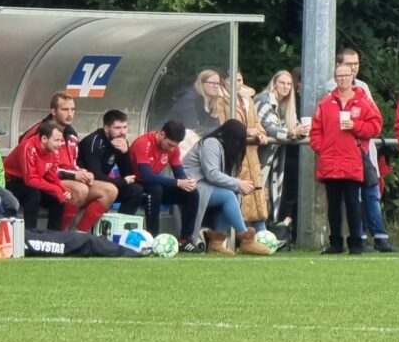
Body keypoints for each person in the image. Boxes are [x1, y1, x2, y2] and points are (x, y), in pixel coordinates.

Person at [325, 47, 397, 252]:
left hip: (364, 152)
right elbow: (322, 127)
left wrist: (357, 126)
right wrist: (323, 148)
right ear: (338, 67)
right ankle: (356, 239)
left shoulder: (363, 88)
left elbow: (373, 122)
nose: (353, 68)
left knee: (371, 192)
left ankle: (379, 237)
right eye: (349, 64)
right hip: (340, 155)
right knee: (349, 198)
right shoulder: (329, 93)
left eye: (356, 64)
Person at [310, 62, 383, 255]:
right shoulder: (325, 103)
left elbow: (375, 127)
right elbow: (316, 130)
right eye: (339, 76)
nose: (342, 79)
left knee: (353, 202)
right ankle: (335, 242)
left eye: (346, 75)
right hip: (330, 160)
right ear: (335, 78)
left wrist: (355, 125)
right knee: (333, 204)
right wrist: (322, 149)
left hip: (352, 159)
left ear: (352, 77)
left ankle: (356, 242)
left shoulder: (364, 102)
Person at [20, 93, 117, 232]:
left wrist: (83, 173)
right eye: (65, 110)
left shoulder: (72, 134)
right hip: (42, 181)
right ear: (54, 111)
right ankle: (59, 234)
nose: (70, 114)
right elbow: (40, 168)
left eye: (72, 109)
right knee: (80, 190)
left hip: (65, 177)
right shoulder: (40, 131)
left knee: (110, 190)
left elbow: (72, 163)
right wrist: (73, 175)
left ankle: (79, 233)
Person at [181, 119, 272, 255]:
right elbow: (211, 174)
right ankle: (246, 239)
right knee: (228, 195)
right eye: (240, 140)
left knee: (233, 193)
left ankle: (216, 243)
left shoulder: (223, 146)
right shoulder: (211, 143)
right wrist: (238, 183)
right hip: (192, 185)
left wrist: (237, 186)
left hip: (204, 185)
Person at [131, 119, 201, 253]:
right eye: (169, 144)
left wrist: (188, 182)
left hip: (156, 184)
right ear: (162, 134)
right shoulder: (144, 143)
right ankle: (153, 236)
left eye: (175, 146)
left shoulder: (173, 149)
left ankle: (185, 240)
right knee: (155, 188)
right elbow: (147, 175)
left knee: (191, 192)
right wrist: (178, 182)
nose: (171, 149)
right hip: (136, 184)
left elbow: (179, 174)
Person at [255, 70, 309, 232]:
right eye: (282, 83)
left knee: (269, 195)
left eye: (289, 84)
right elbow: (269, 128)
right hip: (258, 156)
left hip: (275, 158)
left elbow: (293, 126)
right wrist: (292, 133)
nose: (286, 87)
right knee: (257, 193)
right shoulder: (263, 99)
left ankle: (265, 231)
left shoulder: (286, 104)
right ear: (274, 83)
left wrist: (302, 132)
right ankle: (251, 233)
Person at [219, 69, 269, 232]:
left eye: (239, 80)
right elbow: (223, 126)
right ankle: (238, 235)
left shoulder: (248, 98)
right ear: (224, 81)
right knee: (238, 194)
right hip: (234, 153)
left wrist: (261, 133)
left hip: (251, 154)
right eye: (232, 80)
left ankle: (259, 235)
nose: (237, 84)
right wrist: (247, 131)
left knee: (256, 195)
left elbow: (255, 122)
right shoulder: (220, 100)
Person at [3, 121, 72, 230]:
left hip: (32, 182)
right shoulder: (28, 147)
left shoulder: (53, 150)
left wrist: (63, 189)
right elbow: (30, 180)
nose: (60, 144)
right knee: (33, 193)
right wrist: (55, 189)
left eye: (61, 140)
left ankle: (54, 236)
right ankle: (30, 233)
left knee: (58, 198)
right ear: (44, 139)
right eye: (57, 140)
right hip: (11, 182)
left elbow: (52, 176)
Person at [77, 109, 145, 216]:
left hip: (105, 184)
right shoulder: (94, 142)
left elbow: (129, 176)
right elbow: (96, 176)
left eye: (125, 127)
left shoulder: (121, 142)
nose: (122, 132)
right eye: (117, 128)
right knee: (109, 190)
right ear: (106, 128)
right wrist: (123, 182)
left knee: (136, 190)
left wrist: (125, 153)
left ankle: (120, 224)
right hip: (86, 184)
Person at [165, 68, 222, 139]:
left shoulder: (212, 103)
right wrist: (220, 132)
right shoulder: (188, 99)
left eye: (218, 83)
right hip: (172, 138)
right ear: (201, 83)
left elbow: (216, 126)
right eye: (212, 83)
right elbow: (193, 128)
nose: (216, 86)